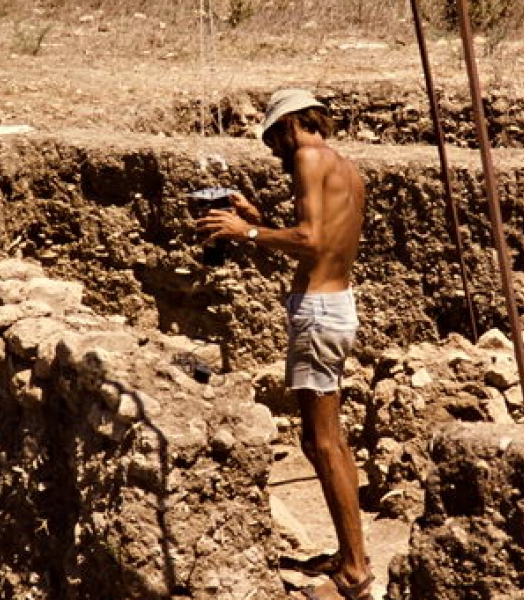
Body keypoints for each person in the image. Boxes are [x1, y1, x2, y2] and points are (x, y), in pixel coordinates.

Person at [198, 89, 372, 600]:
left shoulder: (306, 156)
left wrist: (244, 234)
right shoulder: (342, 165)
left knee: (321, 442)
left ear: (290, 125)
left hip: (317, 312)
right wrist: (255, 220)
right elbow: (320, 237)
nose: (274, 150)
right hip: (334, 304)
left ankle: (356, 572)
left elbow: (310, 241)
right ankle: (348, 553)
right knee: (327, 439)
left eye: (274, 136)